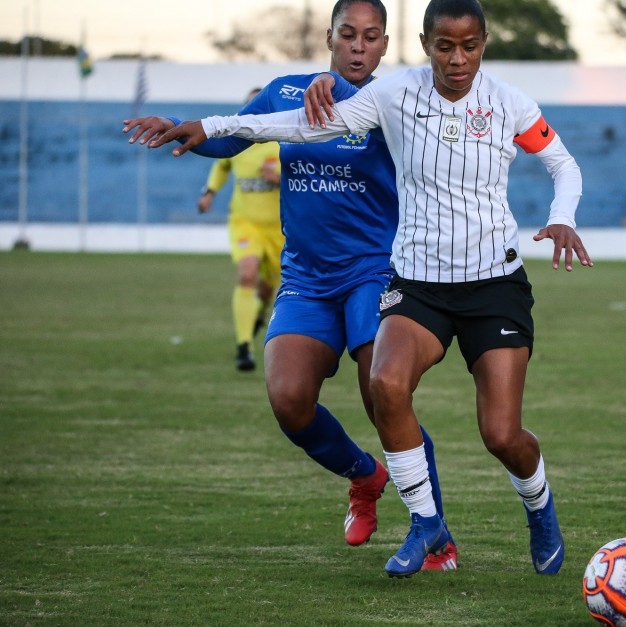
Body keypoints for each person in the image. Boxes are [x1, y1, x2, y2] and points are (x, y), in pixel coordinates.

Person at [144, 0, 592, 578]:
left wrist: (564, 216)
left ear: (484, 42)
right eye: (445, 46)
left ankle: (539, 508)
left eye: (470, 45)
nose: (457, 58)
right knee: (380, 385)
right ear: (425, 43)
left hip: (486, 284)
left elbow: (562, 163)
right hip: (412, 285)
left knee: (501, 435)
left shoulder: (508, 104)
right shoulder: (392, 96)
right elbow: (299, 125)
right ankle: (425, 523)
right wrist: (214, 126)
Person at [123, 0, 458, 571]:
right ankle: (365, 477)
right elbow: (233, 137)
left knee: (384, 395)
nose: (359, 45)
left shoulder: (396, 102)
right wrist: (185, 128)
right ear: (329, 37)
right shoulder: (285, 93)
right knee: (289, 401)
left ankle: (436, 531)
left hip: (375, 269)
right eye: (348, 34)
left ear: (383, 46)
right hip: (306, 275)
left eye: (371, 37)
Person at [194, 88, 282, 372]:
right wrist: (209, 193)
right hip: (246, 223)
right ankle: (244, 346)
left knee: (268, 288)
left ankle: (258, 314)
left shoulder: (285, 141)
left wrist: (279, 177)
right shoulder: (237, 142)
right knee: (246, 274)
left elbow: (307, 176)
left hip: (280, 230)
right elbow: (222, 167)